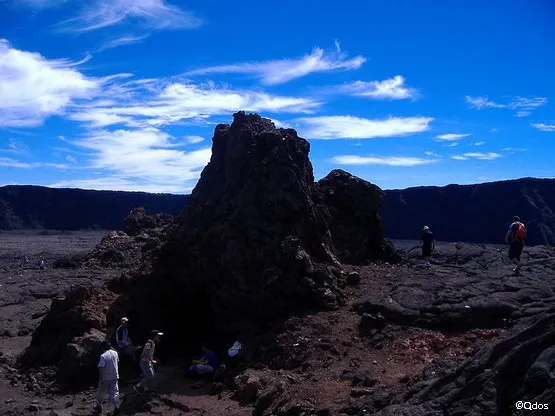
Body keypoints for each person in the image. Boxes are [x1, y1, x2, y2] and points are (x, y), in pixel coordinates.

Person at [94, 340, 120, 415]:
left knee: (101, 392)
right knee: (115, 391)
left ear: (102, 347)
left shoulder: (103, 356)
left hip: (105, 377)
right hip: (115, 376)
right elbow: (117, 362)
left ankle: (98, 405)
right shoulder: (115, 353)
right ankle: (117, 407)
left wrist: (101, 378)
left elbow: (101, 368)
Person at [134, 330, 163, 394]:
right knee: (150, 376)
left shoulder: (152, 343)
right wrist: (152, 360)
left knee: (152, 376)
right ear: (155, 336)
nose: (159, 337)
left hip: (147, 362)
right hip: (144, 362)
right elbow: (146, 352)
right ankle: (138, 386)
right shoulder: (149, 343)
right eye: (158, 336)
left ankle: (146, 389)